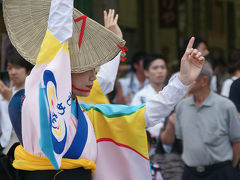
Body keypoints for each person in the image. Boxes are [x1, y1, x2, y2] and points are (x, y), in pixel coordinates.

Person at [4, 0, 204, 179]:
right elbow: (58, 36)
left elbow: (147, 115)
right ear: (65, 67)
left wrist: (182, 80)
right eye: (88, 69)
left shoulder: (90, 115)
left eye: (96, 70)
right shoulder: (40, 97)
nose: (94, 76)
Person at [174, 61, 240, 180]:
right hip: (191, 173)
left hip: (220, 172)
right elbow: (183, 140)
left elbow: (237, 142)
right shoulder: (181, 107)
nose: (183, 82)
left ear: (203, 81)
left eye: (188, 78)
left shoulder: (226, 106)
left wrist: (229, 169)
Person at [0, 48, 33, 155]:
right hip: (3, 146)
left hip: (21, 150)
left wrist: (11, 99)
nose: (13, 72)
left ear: (27, 70)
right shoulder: (4, 91)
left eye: (18, 68)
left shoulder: (34, 92)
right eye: (9, 68)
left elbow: (32, 119)